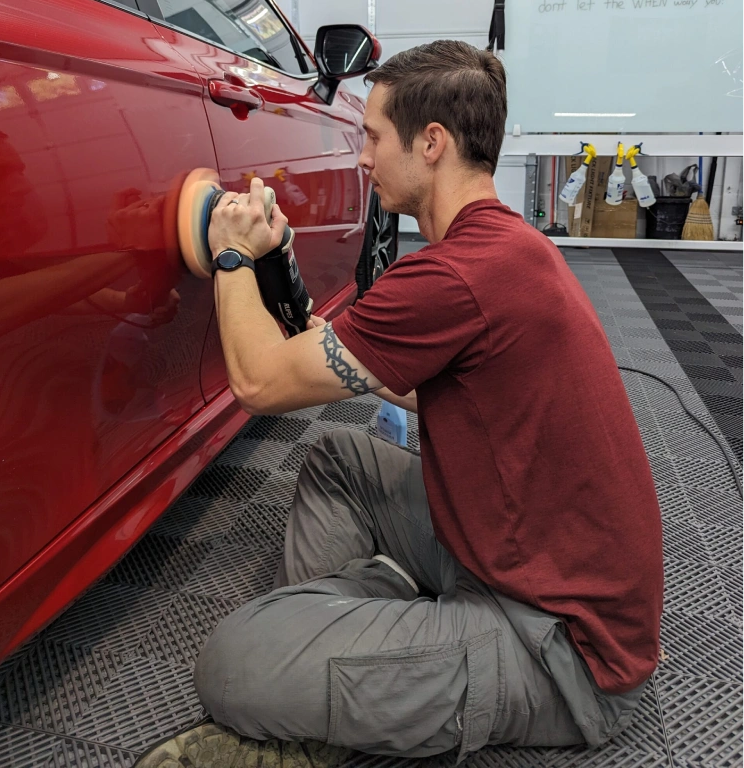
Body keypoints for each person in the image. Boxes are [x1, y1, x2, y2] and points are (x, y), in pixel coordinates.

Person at [136, 41, 663, 768]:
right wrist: (332, 344)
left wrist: (230, 253)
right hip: (510, 554)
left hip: (567, 653)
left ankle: (338, 681)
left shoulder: (456, 275)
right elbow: (440, 388)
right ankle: (369, 633)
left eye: (374, 138)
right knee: (337, 458)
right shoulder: (505, 246)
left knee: (233, 663)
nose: (361, 158)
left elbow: (258, 385)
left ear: (433, 144)